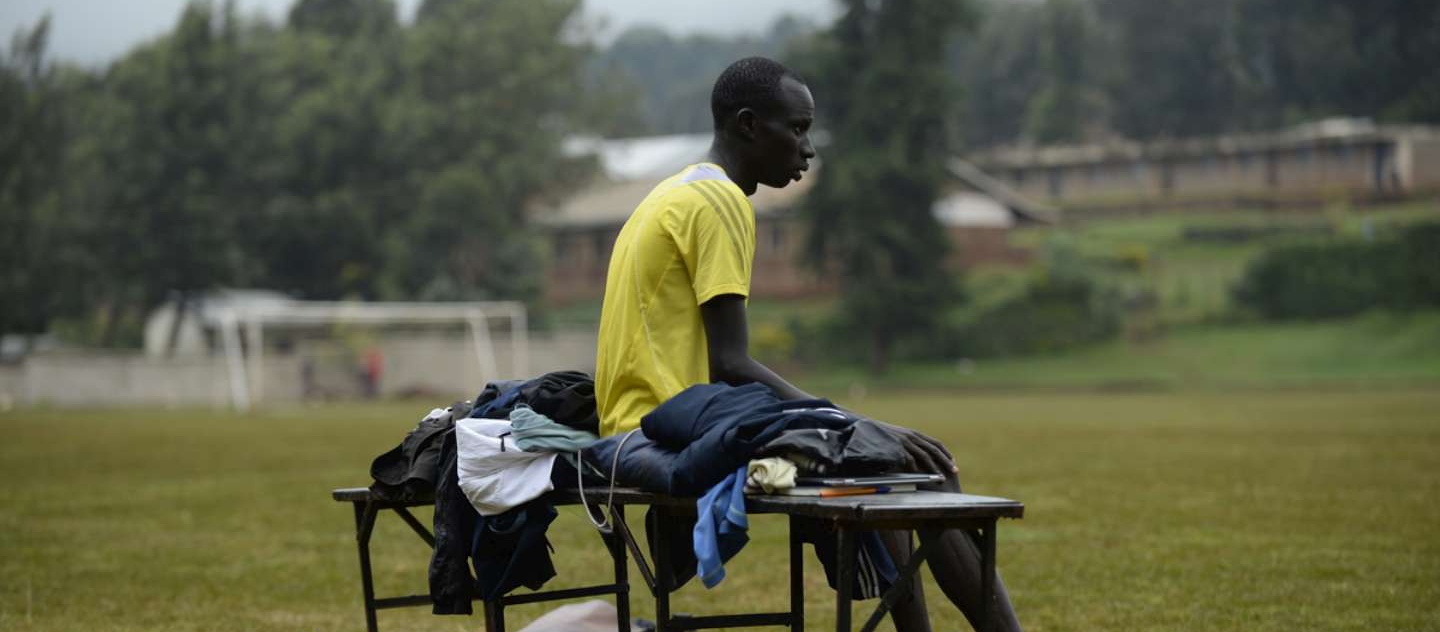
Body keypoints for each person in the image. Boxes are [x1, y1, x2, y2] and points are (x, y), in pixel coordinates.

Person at [593, 56, 1021, 632]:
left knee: (887, 466)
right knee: (923, 467)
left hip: (651, 418)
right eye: (795, 129)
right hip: (666, 425)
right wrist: (841, 416)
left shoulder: (675, 192)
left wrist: (845, 424)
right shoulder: (718, 202)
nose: (807, 148)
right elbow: (731, 363)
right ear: (748, 125)